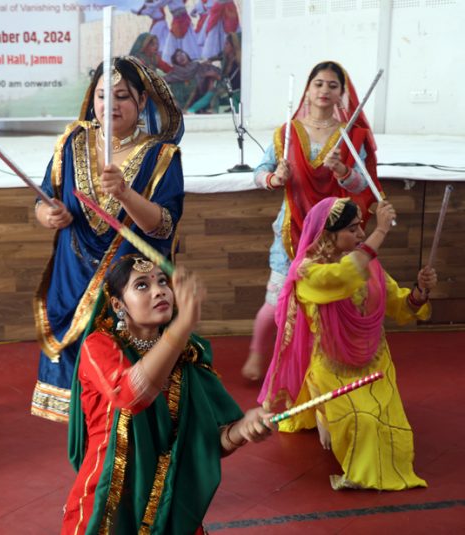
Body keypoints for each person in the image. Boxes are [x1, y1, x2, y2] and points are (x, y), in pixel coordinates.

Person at [63, 255, 274, 533]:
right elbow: (130, 396)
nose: (159, 290)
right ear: (117, 305)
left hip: (170, 501)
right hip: (109, 501)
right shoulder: (99, 346)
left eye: (163, 281)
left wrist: (243, 430)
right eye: (141, 285)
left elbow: (209, 442)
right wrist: (182, 325)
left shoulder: (188, 355)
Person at [31, 57, 185, 423]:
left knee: (131, 397)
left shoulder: (161, 155)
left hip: (130, 288)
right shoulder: (72, 142)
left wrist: (126, 195)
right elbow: (43, 198)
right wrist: (48, 215)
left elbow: (163, 227)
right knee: (84, 412)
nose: (109, 106)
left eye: (121, 96)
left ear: (142, 101)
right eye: (102, 96)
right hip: (72, 281)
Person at [258, 197, 435, 490]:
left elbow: (399, 305)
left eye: (362, 228)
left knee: (385, 426)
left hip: (375, 362)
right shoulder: (308, 272)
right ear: (329, 233)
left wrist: (419, 292)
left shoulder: (370, 265)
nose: (362, 235)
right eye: (353, 229)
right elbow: (341, 276)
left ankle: (330, 418)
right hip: (331, 365)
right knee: (363, 422)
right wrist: (382, 231)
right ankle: (324, 413)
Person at [242, 61, 380, 381]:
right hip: (291, 228)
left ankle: (323, 364)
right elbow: (258, 174)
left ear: (341, 94)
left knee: (329, 299)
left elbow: (363, 185)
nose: (324, 90)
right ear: (308, 88)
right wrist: (275, 178)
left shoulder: (349, 137)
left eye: (332, 85)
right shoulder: (287, 132)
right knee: (275, 298)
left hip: (335, 234)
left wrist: (343, 171)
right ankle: (256, 354)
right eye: (318, 83)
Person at [164, 48, 221, 113]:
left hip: (200, 100)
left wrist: (213, 75)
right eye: (177, 56)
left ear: (187, 56)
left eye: (182, 53)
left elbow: (220, 75)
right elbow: (161, 82)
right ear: (175, 61)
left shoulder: (199, 67)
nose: (181, 57)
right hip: (182, 104)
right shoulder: (174, 74)